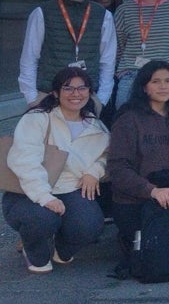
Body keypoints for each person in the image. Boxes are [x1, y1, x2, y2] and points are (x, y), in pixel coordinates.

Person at [3, 67, 108, 273]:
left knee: (90, 225)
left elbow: (108, 155)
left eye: (82, 88)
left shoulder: (96, 126)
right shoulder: (38, 118)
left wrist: (94, 171)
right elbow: (25, 160)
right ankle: (35, 251)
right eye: (68, 88)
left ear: (90, 92)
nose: (75, 94)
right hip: (28, 191)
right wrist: (44, 197)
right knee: (42, 219)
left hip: (70, 188)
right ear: (56, 93)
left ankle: (62, 249)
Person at [107, 61, 169, 271]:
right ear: (144, 87)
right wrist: (151, 191)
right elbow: (118, 169)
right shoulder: (128, 119)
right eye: (156, 81)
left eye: (168, 81)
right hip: (136, 200)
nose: (163, 86)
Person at [20, 0, 116, 110]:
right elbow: (29, 58)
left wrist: (101, 99)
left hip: (87, 98)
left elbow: (107, 62)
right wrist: (32, 98)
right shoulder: (41, 13)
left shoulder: (103, 15)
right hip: (49, 97)